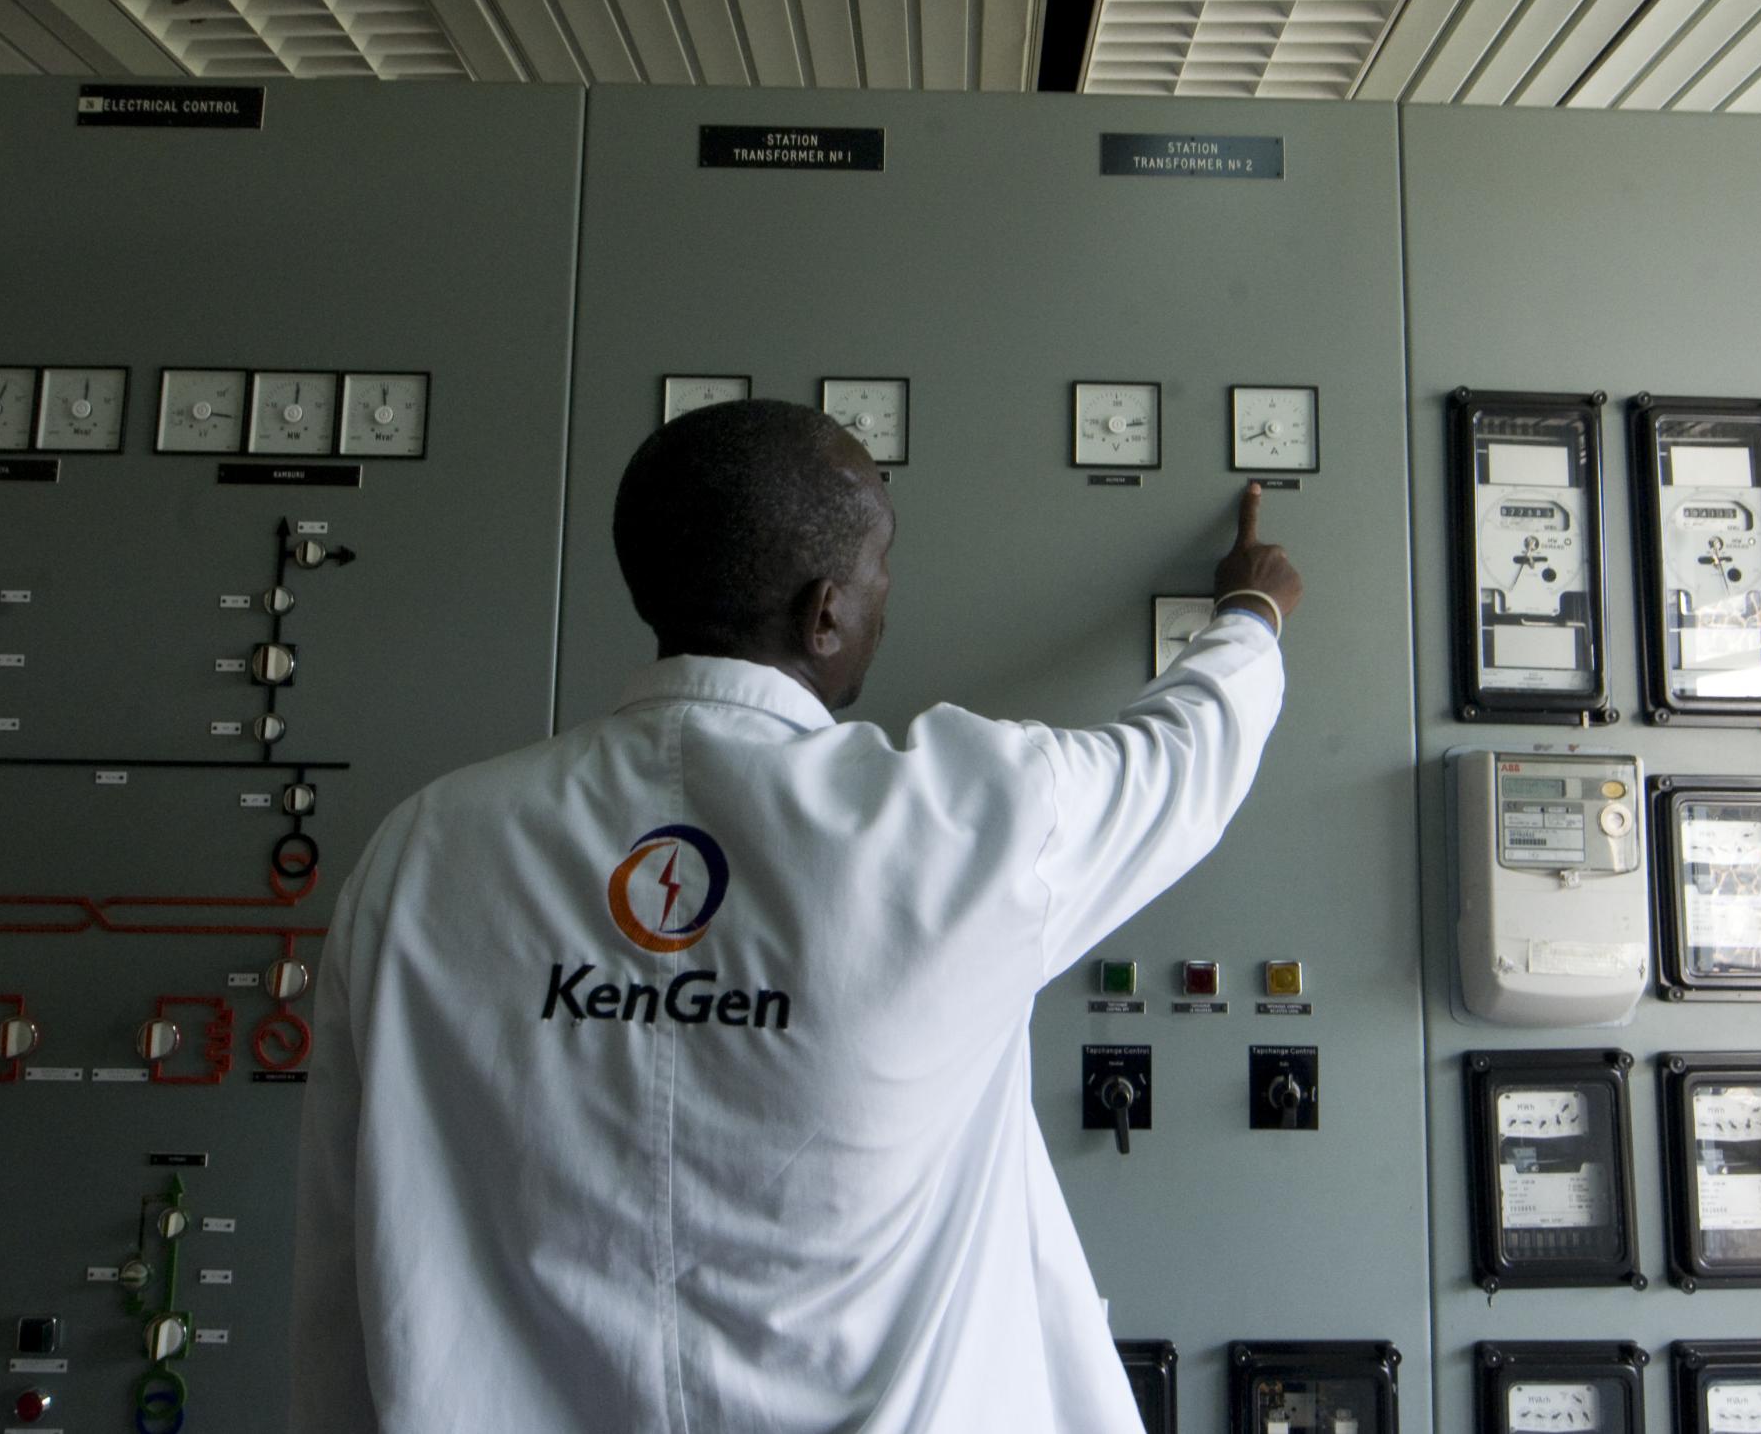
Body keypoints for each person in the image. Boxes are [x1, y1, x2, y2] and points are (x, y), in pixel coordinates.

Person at [289, 398, 1303, 1433]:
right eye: (881, 572)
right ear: (824, 612)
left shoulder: (425, 852)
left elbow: (344, 1251)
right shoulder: (965, 818)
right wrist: (1250, 617)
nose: (884, 599)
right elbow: (1187, 757)